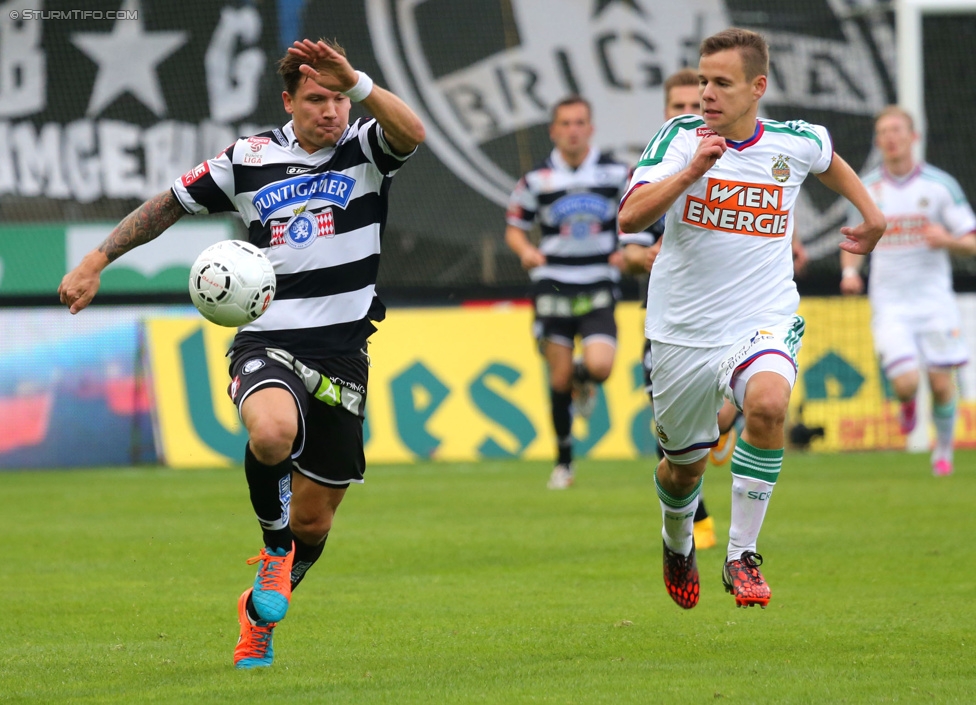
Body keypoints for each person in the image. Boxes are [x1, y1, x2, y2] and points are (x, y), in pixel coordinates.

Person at [58, 38, 425, 668]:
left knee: (316, 523)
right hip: (269, 339)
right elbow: (166, 205)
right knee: (273, 433)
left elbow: (413, 132)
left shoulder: (366, 148)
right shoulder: (248, 158)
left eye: (338, 99)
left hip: (343, 353)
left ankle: (258, 613)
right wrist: (97, 259)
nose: (331, 111)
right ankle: (273, 550)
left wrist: (358, 82)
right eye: (317, 99)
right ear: (289, 101)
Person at [618, 28, 885, 610]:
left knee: (767, 403)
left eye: (720, 83)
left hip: (760, 317)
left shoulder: (793, 141)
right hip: (682, 332)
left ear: (757, 87)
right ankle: (676, 538)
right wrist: (691, 173)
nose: (706, 94)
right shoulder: (679, 140)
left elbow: (829, 162)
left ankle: (742, 555)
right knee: (682, 472)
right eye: (702, 80)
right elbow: (630, 218)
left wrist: (872, 215)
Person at [840, 106, 976, 476]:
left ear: (914, 137)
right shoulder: (867, 189)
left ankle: (943, 452)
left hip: (934, 301)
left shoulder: (939, 186)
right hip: (890, 302)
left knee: (941, 382)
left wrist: (948, 240)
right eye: (883, 131)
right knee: (906, 382)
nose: (891, 137)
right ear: (878, 141)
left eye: (897, 130)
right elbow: (851, 239)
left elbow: (971, 240)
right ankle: (907, 404)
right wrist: (851, 273)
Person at [505, 95, 627, 490]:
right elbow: (515, 227)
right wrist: (526, 251)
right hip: (553, 283)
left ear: (590, 128)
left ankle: (583, 376)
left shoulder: (615, 174)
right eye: (565, 123)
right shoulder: (536, 180)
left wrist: (629, 249)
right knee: (557, 381)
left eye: (580, 123)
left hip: (597, 282)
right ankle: (564, 462)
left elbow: (639, 213)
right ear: (553, 130)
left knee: (600, 366)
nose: (573, 130)